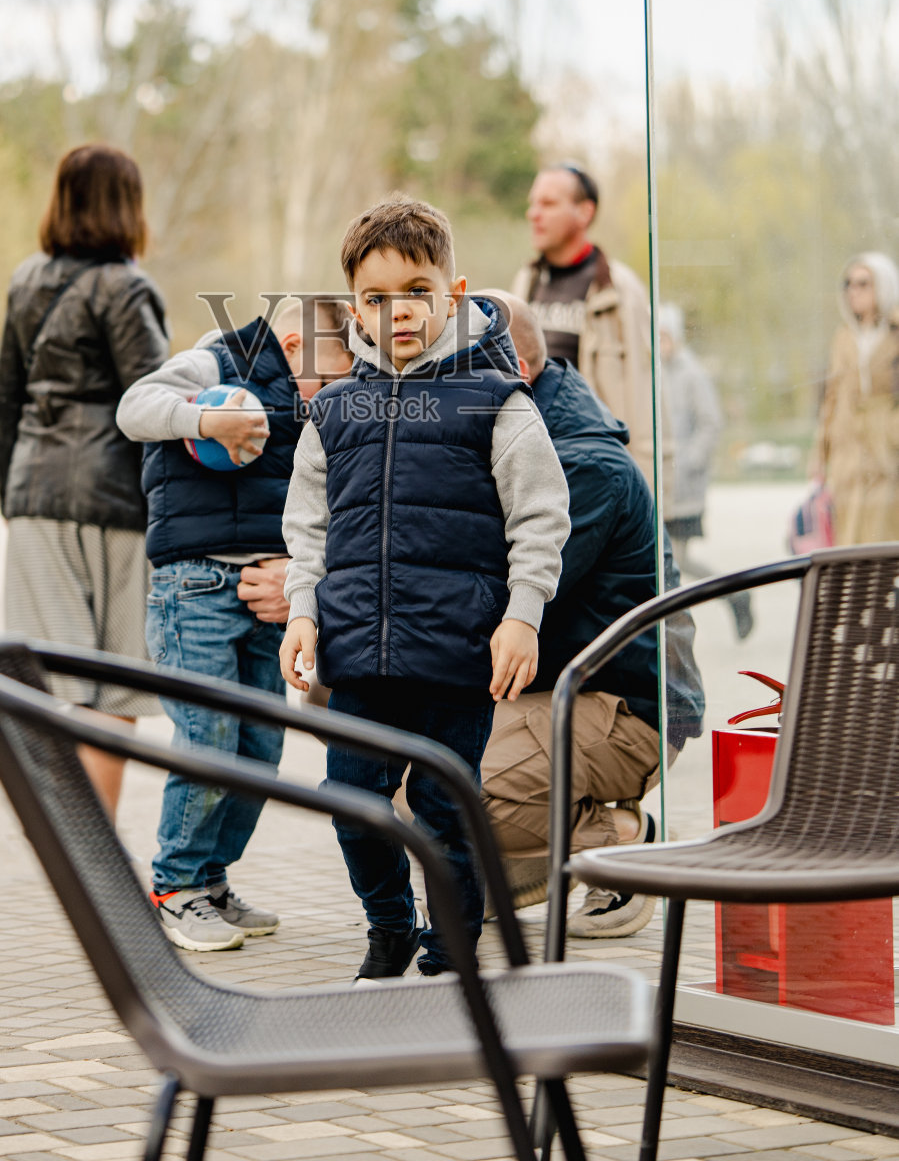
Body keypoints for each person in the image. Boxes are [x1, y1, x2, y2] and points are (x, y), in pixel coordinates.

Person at [278, 199, 571, 981]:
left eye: (414, 289)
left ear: (454, 289)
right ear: (354, 312)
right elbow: (306, 529)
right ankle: (388, 929)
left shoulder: (497, 401)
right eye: (375, 299)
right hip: (357, 654)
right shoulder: (333, 411)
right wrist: (302, 615)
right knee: (353, 805)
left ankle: (449, 954)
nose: (396, 310)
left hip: (453, 653)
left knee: (445, 815)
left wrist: (522, 616)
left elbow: (541, 518)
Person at [115, 296, 355, 953]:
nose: (333, 392)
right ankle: (175, 885)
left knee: (259, 749)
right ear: (295, 344)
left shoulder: (314, 410)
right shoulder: (212, 362)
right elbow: (134, 408)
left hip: (265, 593)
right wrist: (202, 416)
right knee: (209, 736)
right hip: (194, 586)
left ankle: (211, 879)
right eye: (330, 377)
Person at [478, 292, 704, 940]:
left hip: (629, 710)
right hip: (549, 689)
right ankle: (513, 862)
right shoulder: (513, 442)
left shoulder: (581, 467)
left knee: (445, 784)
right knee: (378, 724)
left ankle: (623, 841)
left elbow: (489, 602)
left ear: (513, 371)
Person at [0, 143, 170, 821]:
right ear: (126, 206)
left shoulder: (23, 279)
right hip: (112, 504)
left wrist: (12, 499)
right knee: (113, 689)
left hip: (33, 497)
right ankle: (99, 859)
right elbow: (152, 407)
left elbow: (5, 397)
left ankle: (72, 845)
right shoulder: (128, 288)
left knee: (60, 687)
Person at [512, 161, 656, 483]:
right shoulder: (525, 282)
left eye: (547, 204)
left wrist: (649, 489)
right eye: (533, 203)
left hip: (593, 469)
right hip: (534, 467)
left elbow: (642, 392)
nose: (533, 214)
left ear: (584, 213)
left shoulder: (619, 290)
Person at [659, 304, 753, 639]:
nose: (661, 342)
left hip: (684, 487)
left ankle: (735, 594)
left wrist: (687, 463)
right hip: (660, 485)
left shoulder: (691, 373)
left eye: (665, 335)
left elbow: (711, 424)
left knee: (678, 561)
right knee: (669, 562)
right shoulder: (653, 371)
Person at [812, 253, 899, 545]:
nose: (854, 291)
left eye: (864, 284)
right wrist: (820, 454)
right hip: (847, 459)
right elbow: (831, 399)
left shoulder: (895, 334)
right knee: (849, 548)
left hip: (887, 457)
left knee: (885, 545)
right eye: (849, 284)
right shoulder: (844, 338)